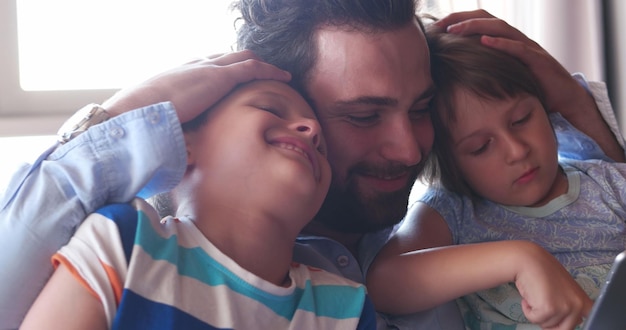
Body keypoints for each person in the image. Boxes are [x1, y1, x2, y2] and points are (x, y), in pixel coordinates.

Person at [0, 1, 623, 328]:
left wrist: (569, 106)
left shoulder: (451, 224)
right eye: (362, 115)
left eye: (422, 108)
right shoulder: (155, 241)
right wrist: (118, 119)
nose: (409, 151)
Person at [20, 79, 377, 329]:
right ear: (181, 144)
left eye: (323, 148)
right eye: (270, 107)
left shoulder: (346, 309)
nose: (312, 129)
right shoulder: (123, 243)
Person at [366, 28, 626, 330]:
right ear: (451, 166)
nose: (517, 151)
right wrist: (519, 258)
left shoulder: (610, 183)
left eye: (521, 120)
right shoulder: (451, 210)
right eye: (480, 147)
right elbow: (383, 283)